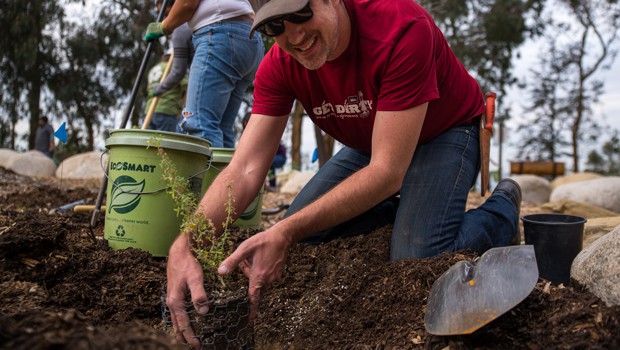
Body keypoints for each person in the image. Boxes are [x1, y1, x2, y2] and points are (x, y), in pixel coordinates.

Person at [165, 0, 522, 346]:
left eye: (300, 14)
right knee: (307, 238)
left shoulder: (401, 28)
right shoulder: (279, 63)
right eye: (275, 26)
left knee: (417, 262)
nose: (294, 36)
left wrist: (284, 230)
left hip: (445, 130)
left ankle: (502, 207)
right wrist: (185, 243)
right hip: (372, 138)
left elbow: (386, 171)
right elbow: (244, 167)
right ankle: (409, 211)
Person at [144, 0, 265, 148]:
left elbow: (187, 4)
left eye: (168, 13)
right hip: (250, 38)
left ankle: (208, 172)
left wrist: (164, 26)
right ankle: (223, 171)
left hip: (221, 36)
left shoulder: (180, 31)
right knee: (221, 127)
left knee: (199, 125)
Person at [144, 54, 189, 132]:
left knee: (150, 141)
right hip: (167, 109)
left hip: (150, 111)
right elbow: (188, 86)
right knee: (164, 142)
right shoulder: (174, 68)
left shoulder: (154, 69)